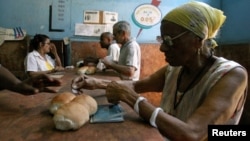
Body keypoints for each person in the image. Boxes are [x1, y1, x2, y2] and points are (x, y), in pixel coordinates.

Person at [71, 1, 248, 140]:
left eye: (170, 41)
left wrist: (132, 100)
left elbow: (193, 134)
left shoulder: (231, 75)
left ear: (197, 40)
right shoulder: (175, 70)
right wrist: (95, 83)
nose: (162, 48)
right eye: (161, 39)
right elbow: (137, 85)